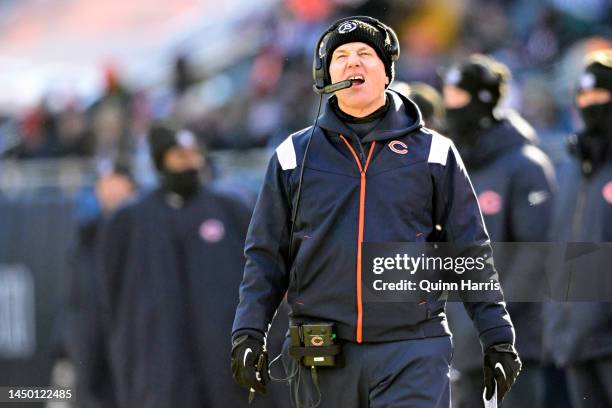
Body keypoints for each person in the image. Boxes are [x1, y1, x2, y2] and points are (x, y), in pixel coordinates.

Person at [231, 16, 521, 407]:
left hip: (413, 349)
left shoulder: (433, 153)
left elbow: (470, 251)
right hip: (322, 350)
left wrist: (497, 337)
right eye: (342, 56)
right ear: (325, 74)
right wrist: (249, 333)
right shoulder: (291, 157)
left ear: (386, 71)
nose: (353, 63)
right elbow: (265, 255)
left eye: (365, 54)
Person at [98, 122, 284, 407]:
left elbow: (265, 272)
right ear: (162, 161)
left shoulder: (231, 206)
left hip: (226, 357)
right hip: (162, 364)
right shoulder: (131, 220)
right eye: (180, 156)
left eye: (193, 154)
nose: (190, 162)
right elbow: (112, 294)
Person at [441, 54, 556, 407]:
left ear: (483, 101)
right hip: (461, 347)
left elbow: (536, 258)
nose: (450, 107)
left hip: (511, 348)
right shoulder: (456, 168)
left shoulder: (525, 166)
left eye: (458, 97)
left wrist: (493, 324)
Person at [545, 49, 612, 408]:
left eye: (601, 94)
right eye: (584, 95)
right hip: (576, 338)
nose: (591, 103)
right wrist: (557, 322)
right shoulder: (572, 166)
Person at [63, 161, 136, 408]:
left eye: (115, 182)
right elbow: (77, 293)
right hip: (93, 338)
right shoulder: (87, 232)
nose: (109, 189)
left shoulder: (144, 227)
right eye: (104, 183)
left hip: (132, 334)